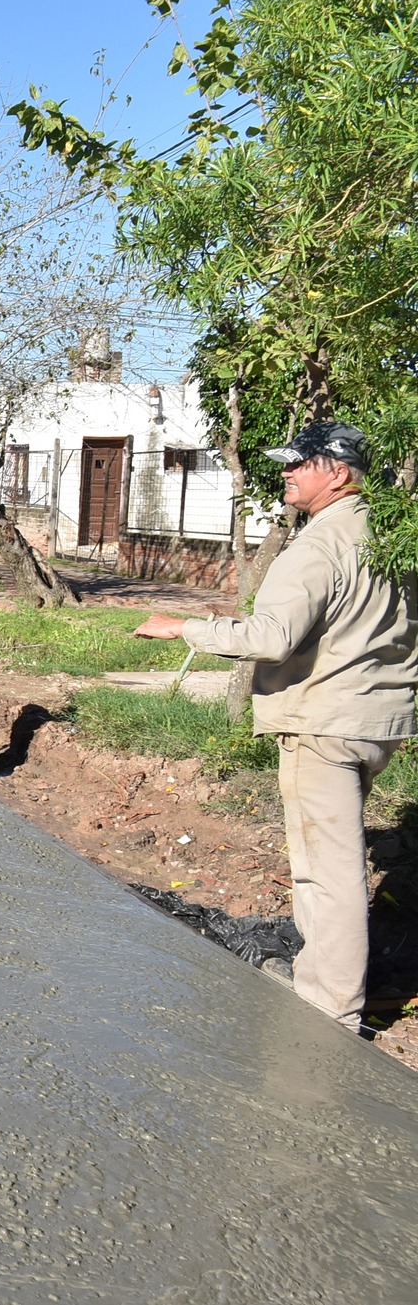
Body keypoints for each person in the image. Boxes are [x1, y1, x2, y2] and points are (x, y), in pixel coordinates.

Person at [132, 423, 418, 1034]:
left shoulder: (319, 545)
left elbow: (272, 637)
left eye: (299, 463)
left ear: (337, 473)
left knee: (327, 871)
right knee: (331, 861)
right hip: (379, 721)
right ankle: (328, 978)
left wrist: (184, 628)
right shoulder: (391, 537)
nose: (286, 472)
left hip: (323, 723)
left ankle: (330, 1007)